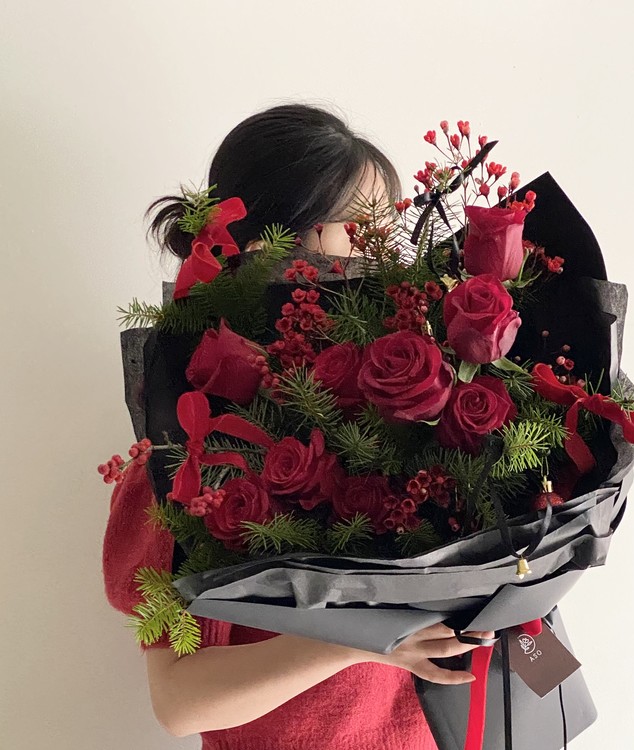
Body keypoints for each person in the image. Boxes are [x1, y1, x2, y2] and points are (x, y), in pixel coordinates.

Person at [102, 102, 493, 749]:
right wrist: (361, 640)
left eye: (386, 231)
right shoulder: (193, 454)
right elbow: (180, 700)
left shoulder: (420, 409)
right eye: (357, 230)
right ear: (271, 246)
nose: (382, 255)